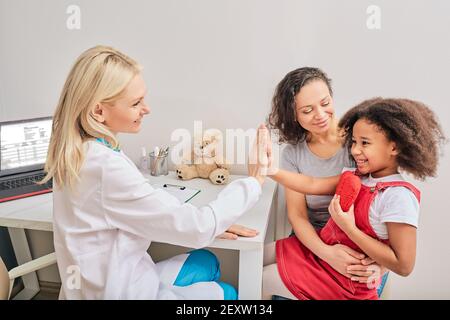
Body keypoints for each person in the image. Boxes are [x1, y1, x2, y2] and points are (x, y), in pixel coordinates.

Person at [40, 45, 265, 300]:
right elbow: (198, 229)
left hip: (112, 280)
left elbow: (131, 208)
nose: (146, 109)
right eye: (136, 103)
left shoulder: (78, 150)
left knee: (207, 261)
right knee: (228, 294)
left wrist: (211, 221)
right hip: (120, 292)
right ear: (99, 111)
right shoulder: (105, 167)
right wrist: (254, 181)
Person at [261, 97, 445, 299]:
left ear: (394, 147)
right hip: (323, 256)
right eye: (354, 142)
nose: (355, 150)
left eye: (364, 143)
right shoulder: (357, 175)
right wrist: (270, 169)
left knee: (261, 277)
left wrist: (349, 227)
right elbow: (312, 184)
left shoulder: (399, 197)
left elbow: (404, 265)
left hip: (344, 281)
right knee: (258, 255)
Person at [264, 67, 386, 299]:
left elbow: (387, 204)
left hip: (356, 246)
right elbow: (298, 216)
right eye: (307, 110)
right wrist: (328, 253)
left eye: (325, 102)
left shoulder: (358, 140)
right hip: (315, 241)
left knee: (264, 279)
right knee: (252, 260)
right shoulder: (293, 153)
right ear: (294, 115)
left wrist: (381, 265)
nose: (320, 114)